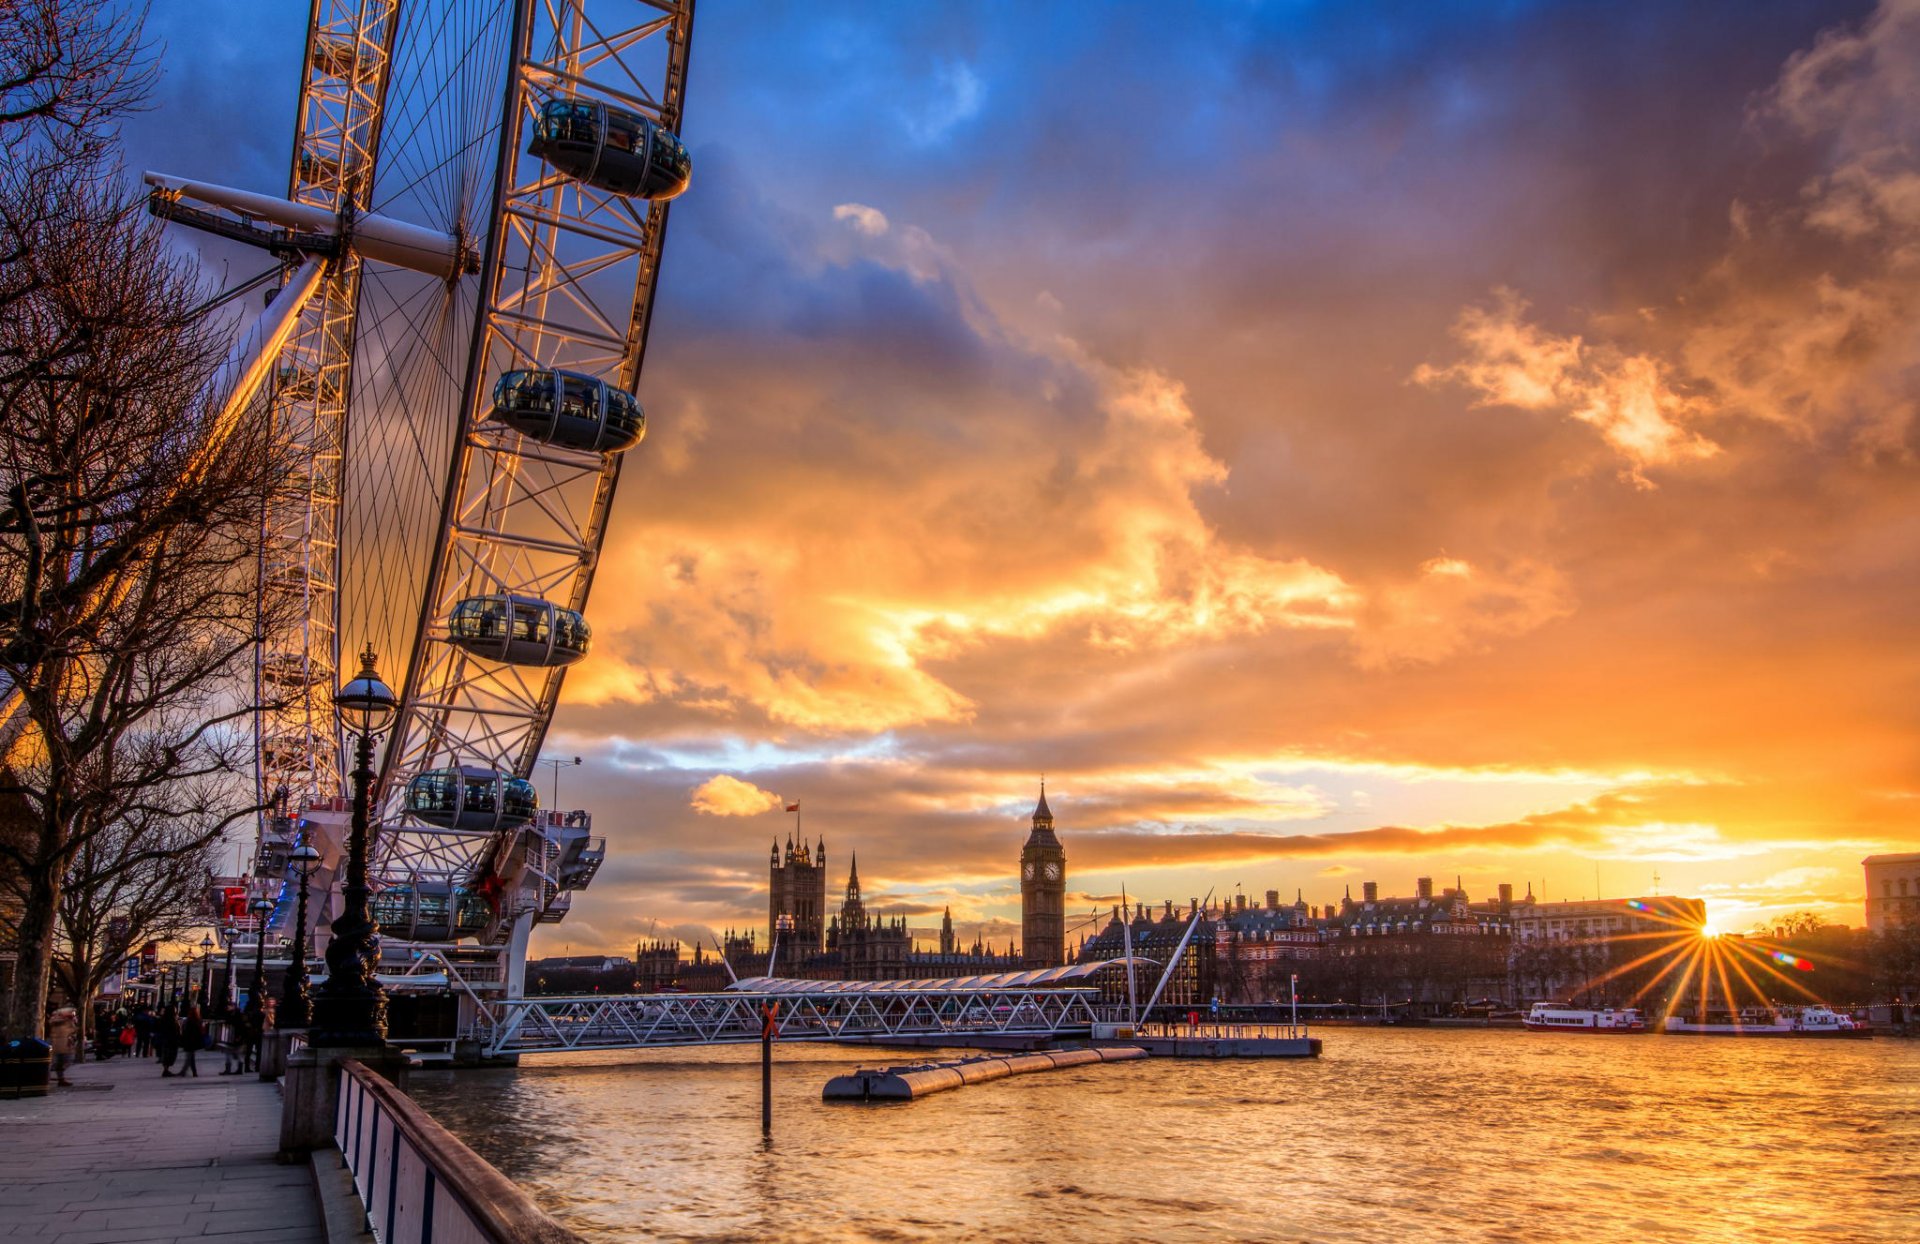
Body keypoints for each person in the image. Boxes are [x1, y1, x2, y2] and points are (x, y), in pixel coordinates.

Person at [46, 1006, 78, 1086]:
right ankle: (57, 1078)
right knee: (56, 1062)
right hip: (57, 1044)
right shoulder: (56, 1021)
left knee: (62, 1062)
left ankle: (61, 1079)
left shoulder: (68, 1022)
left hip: (63, 1044)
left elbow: (73, 1030)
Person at [178, 1005, 203, 1078]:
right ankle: (194, 1072)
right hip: (194, 1042)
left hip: (189, 1041)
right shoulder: (198, 1020)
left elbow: (185, 1031)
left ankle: (183, 1071)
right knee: (191, 1057)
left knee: (189, 1057)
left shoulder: (188, 1021)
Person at [155, 1005, 181, 1076]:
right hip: (171, 1040)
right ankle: (166, 1070)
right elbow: (175, 1030)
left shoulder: (163, 1019)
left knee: (167, 1054)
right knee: (169, 1054)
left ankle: (166, 1069)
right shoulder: (171, 1020)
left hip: (166, 1039)